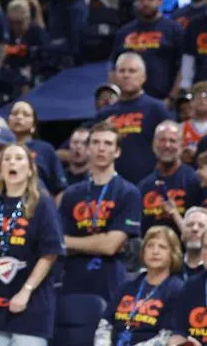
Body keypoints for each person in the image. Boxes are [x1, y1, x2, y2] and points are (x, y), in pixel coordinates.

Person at [0, 143, 64, 346]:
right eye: (7, 159)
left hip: (32, 301)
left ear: (30, 169)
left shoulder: (42, 204)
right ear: (0, 168)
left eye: (19, 158)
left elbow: (49, 253)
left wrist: (26, 291)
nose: (12, 162)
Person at [57, 121, 143, 302]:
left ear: (117, 152)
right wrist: (98, 242)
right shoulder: (71, 194)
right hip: (73, 281)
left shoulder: (129, 192)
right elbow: (58, 243)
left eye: (108, 143)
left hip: (111, 282)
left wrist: (71, 243)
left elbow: (110, 245)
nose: (101, 148)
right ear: (88, 149)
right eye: (96, 143)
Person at [93, 225, 182, 346]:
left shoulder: (177, 289)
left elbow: (167, 336)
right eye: (150, 246)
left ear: (173, 254)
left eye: (162, 247)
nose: (155, 251)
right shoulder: (126, 286)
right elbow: (105, 324)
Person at [100, 53, 173, 184]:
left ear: (143, 77)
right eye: (122, 71)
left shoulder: (157, 109)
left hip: (150, 184)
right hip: (112, 186)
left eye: (132, 71)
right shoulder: (104, 113)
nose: (126, 75)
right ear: (115, 76)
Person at [138, 121, 201, 233]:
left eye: (172, 141)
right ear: (153, 145)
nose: (167, 145)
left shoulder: (195, 182)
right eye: (162, 140)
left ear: (181, 145)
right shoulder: (143, 186)